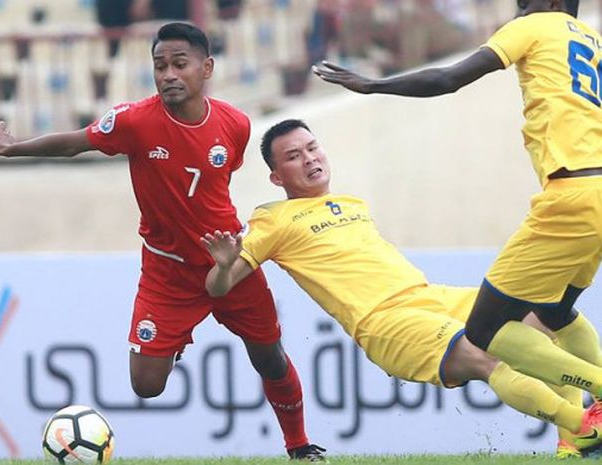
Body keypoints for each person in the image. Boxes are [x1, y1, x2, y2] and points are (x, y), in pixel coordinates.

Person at [0, 23, 324, 461]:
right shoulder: (135, 121)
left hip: (229, 260)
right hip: (166, 270)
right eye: (159, 66)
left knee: (269, 357)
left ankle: (299, 447)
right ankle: (176, 339)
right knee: (146, 385)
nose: (168, 75)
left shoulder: (235, 125)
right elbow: (75, 144)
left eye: (179, 64)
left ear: (207, 68)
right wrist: (15, 149)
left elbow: (215, 181)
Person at [201, 119, 602, 457]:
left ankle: (571, 442)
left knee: (542, 317)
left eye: (312, 148)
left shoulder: (352, 203)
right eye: (293, 156)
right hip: (386, 322)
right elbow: (219, 287)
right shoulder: (274, 219)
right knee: (485, 362)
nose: (309, 159)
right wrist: (222, 265)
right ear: (276, 177)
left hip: (429, 297)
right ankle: (584, 428)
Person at [313, 0, 602, 434]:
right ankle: (586, 420)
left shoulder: (536, 25)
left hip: (572, 196)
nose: (519, 6)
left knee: (485, 330)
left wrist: (375, 86)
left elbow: (449, 78)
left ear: (556, 2)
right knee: (556, 312)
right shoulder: (591, 41)